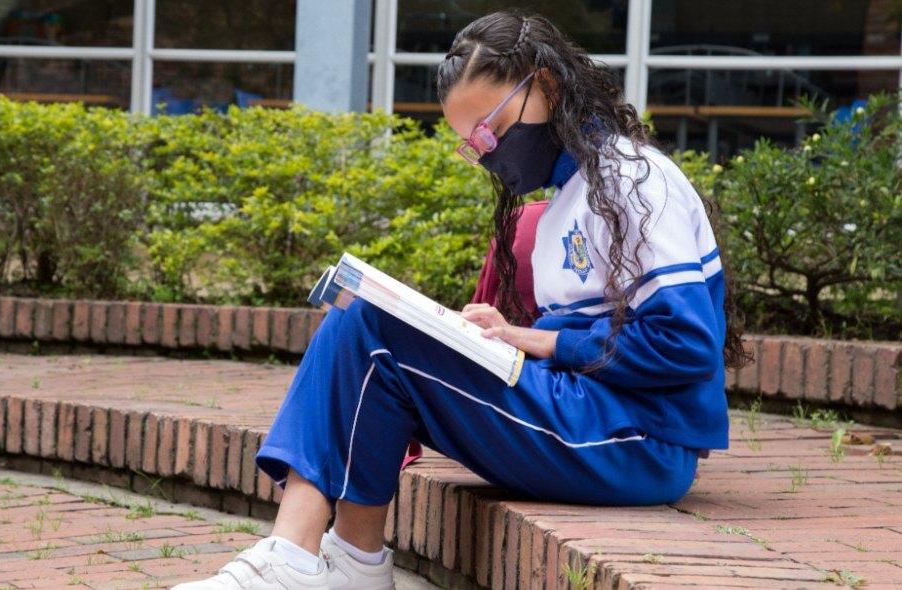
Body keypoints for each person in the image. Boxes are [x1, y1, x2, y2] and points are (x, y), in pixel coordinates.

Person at [173, 9, 747, 590]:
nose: (489, 152)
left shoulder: (634, 179)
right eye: (474, 145)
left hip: (638, 443)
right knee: (362, 315)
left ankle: (302, 557)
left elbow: (688, 346)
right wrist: (499, 333)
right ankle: (346, 560)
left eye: (489, 131)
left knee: (374, 322)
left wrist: (542, 340)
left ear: (544, 87)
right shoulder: (571, 194)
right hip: (599, 421)